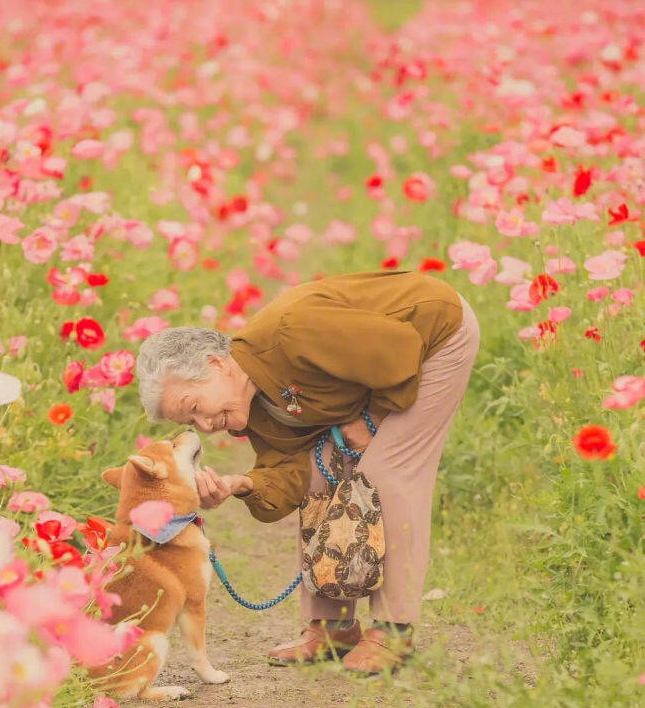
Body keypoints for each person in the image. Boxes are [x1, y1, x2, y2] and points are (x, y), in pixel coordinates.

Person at [135, 269, 480, 675]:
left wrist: (372, 416)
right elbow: (292, 471)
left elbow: (401, 350)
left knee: (387, 473)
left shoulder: (292, 332)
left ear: (216, 364)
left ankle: (393, 631)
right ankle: (333, 627)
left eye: (195, 406)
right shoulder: (248, 408)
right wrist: (241, 484)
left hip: (434, 338)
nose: (206, 426)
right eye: (190, 422)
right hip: (380, 371)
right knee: (321, 477)